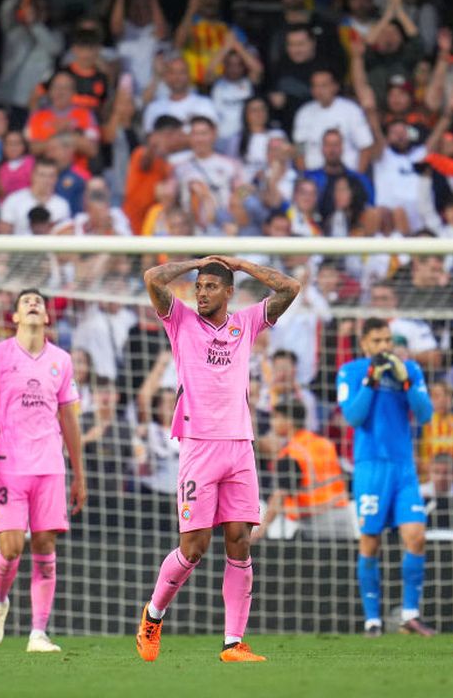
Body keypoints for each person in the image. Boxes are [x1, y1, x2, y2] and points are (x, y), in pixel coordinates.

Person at [136, 255, 299, 663]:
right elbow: (153, 278)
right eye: (199, 285)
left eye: (211, 286)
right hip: (198, 445)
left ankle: (233, 643)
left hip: (240, 445)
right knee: (193, 547)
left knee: (240, 541)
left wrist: (243, 266)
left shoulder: (245, 323)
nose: (202, 292)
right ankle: (153, 616)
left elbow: (290, 288)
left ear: (229, 292)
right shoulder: (180, 321)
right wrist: (198, 261)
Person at [0, 288, 86, 653]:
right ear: (16, 317)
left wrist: (80, 474)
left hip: (50, 465)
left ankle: (38, 633)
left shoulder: (61, 361)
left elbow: (69, 418)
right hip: (8, 464)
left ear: (47, 317)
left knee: (44, 543)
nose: (34, 304)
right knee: (10, 546)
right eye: (26, 302)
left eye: (39, 302)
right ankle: (0, 602)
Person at [336, 317, 435, 637]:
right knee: (370, 542)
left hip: (404, 467)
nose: (384, 347)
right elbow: (353, 416)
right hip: (370, 467)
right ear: (365, 344)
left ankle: (409, 615)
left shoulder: (410, 370)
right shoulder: (351, 372)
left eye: (387, 340)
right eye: (377, 341)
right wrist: (370, 380)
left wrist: (406, 382)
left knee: (416, 537)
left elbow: (425, 414)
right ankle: (373, 620)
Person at [253, 398, 355, 540]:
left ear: (288, 421)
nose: (272, 423)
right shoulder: (324, 443)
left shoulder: (291, 454)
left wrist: (260, 530)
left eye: (276, 418)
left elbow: (279, 496)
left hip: (317, 524)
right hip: (344, 519)